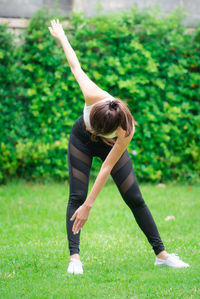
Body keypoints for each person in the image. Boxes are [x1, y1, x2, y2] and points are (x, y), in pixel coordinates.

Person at [48, 19, 190, 274]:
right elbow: (74, 65)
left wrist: (90, 206)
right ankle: (74, 259)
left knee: (134, 196)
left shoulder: (126, 130)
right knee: (76, 196)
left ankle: (162, 255)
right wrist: (62, 37)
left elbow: (106, 168)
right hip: (80, 139)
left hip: (110, 148)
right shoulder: (92, 94)